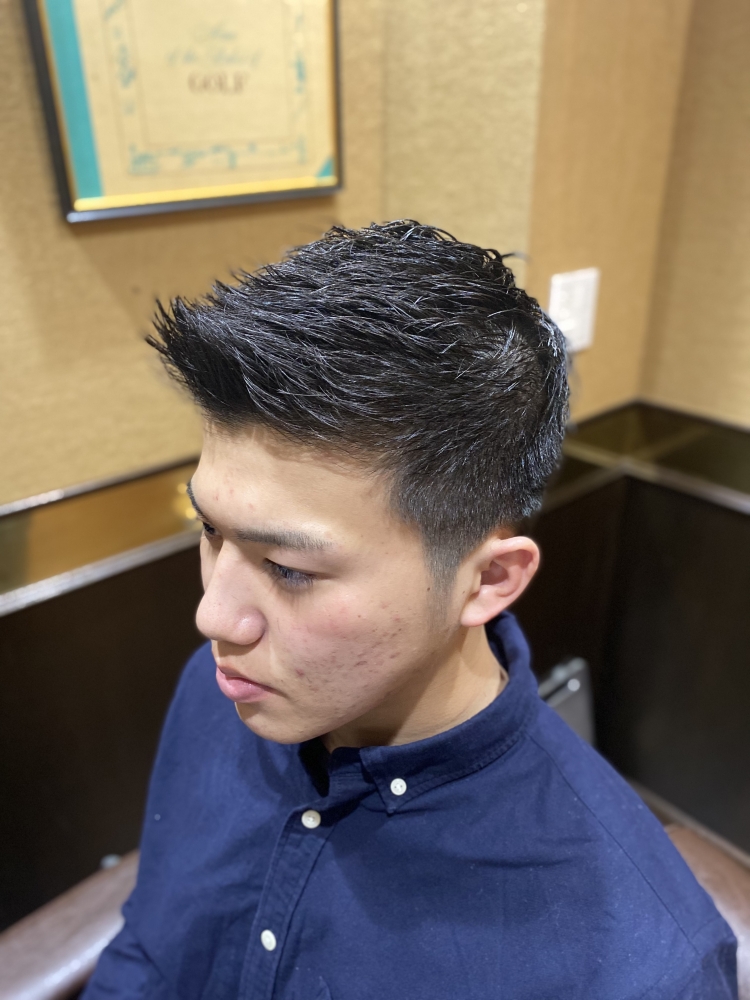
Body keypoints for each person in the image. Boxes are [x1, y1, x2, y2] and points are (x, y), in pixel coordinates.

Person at [84, 222, 737, 1000]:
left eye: (289, 569)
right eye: (209, 531)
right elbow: (153, 950)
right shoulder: (218, 688)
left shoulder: (639, 968)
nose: (214, 619)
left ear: (488, 580)